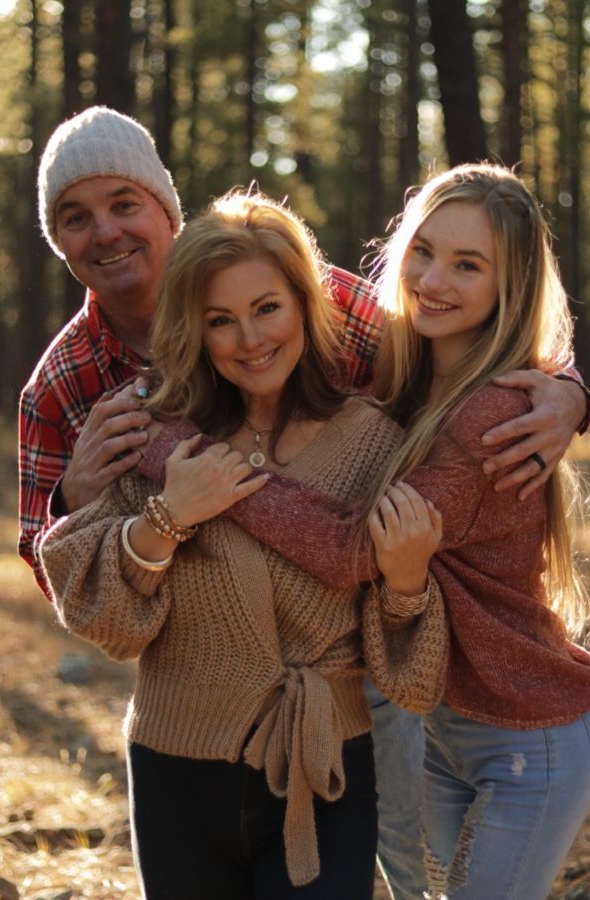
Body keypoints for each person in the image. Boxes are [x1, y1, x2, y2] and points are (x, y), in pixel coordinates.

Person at [19, 106, 588, 900]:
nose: (105, 232)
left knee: (411, 869)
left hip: (366, 709)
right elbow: (67, 586)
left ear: (166, 206)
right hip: (191, 725)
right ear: (57, 240)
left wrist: (569, 392)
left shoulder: (292, 287)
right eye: (74, 218)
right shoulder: (64, 386)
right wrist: (80, 501)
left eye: (124, 203)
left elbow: (452, 349)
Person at [38, 189, 449, 899]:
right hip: (177, 766)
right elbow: (100, 620)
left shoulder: (376, 442)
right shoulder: (153, 436)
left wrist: (408, 583)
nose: (250, 339)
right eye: (220, 321)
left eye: (267, 309)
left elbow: (412, 679)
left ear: (304, 304)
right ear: (193, 331)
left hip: (324, 768)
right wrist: (166, 518)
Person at [243, 163, 590, 898]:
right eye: (425, 251)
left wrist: (221, 479)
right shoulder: (401, 378)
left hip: (527, 739)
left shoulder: (490, 413)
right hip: (438, 726)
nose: (434, 279)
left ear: (510, 287)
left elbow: (350, 551)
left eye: (469, 265)